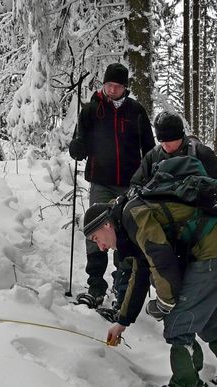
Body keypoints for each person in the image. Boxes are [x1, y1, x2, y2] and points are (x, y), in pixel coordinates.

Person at [80, 182, 217, 387]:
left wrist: (165, 302)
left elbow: (160, 256)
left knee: (178, 323)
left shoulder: (132, 216)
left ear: (106, 225)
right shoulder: (129, 227)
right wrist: (122, 321)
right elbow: (141, 274)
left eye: (96, 239)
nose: (101, 247)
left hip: (212, 251)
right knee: (208, 319)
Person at [69, 63, 155, 308]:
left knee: (125, 232)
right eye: (109, 85)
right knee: (94, 230)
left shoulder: (136, 111)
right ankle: (95, 285)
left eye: (117, 86)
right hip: (101, 180)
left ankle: (123, 288)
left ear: (125, 87)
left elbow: (148, 148)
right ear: (104, 84)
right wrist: (76, 149)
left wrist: (149, 175)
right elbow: (80, 143)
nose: (112, 89)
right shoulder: (91, 110)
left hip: (130, 184)